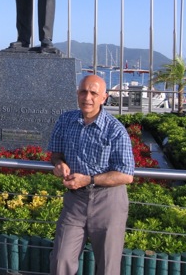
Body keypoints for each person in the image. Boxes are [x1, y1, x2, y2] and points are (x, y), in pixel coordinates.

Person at [48, 75, 135, 275]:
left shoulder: (115, 130)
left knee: (107, 267)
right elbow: (56, 154)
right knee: (60, 260)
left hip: (108, 201)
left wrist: (89, 179)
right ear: (77, 93)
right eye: (83, 91)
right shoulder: (66, 120)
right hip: (75, 201)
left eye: (94, 93)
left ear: (104, 97)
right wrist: (59, 164)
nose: (87, 97)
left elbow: (126, 175)